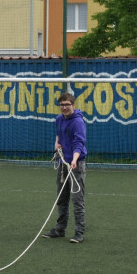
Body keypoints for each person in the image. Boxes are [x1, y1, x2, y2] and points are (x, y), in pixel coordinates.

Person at [43, 92, 87, 242]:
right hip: (63, 163)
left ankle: (79, 232)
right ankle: (60, 229)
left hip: (76, 164)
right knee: (61, 198)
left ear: (73, 105)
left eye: (67, 105)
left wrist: (74, 160)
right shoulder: (59, 119)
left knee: (77, 199)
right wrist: (57, 143)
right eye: (61, 105)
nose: (64, 107)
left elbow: (79, 143)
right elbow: (59, 134)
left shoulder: (78, 122)